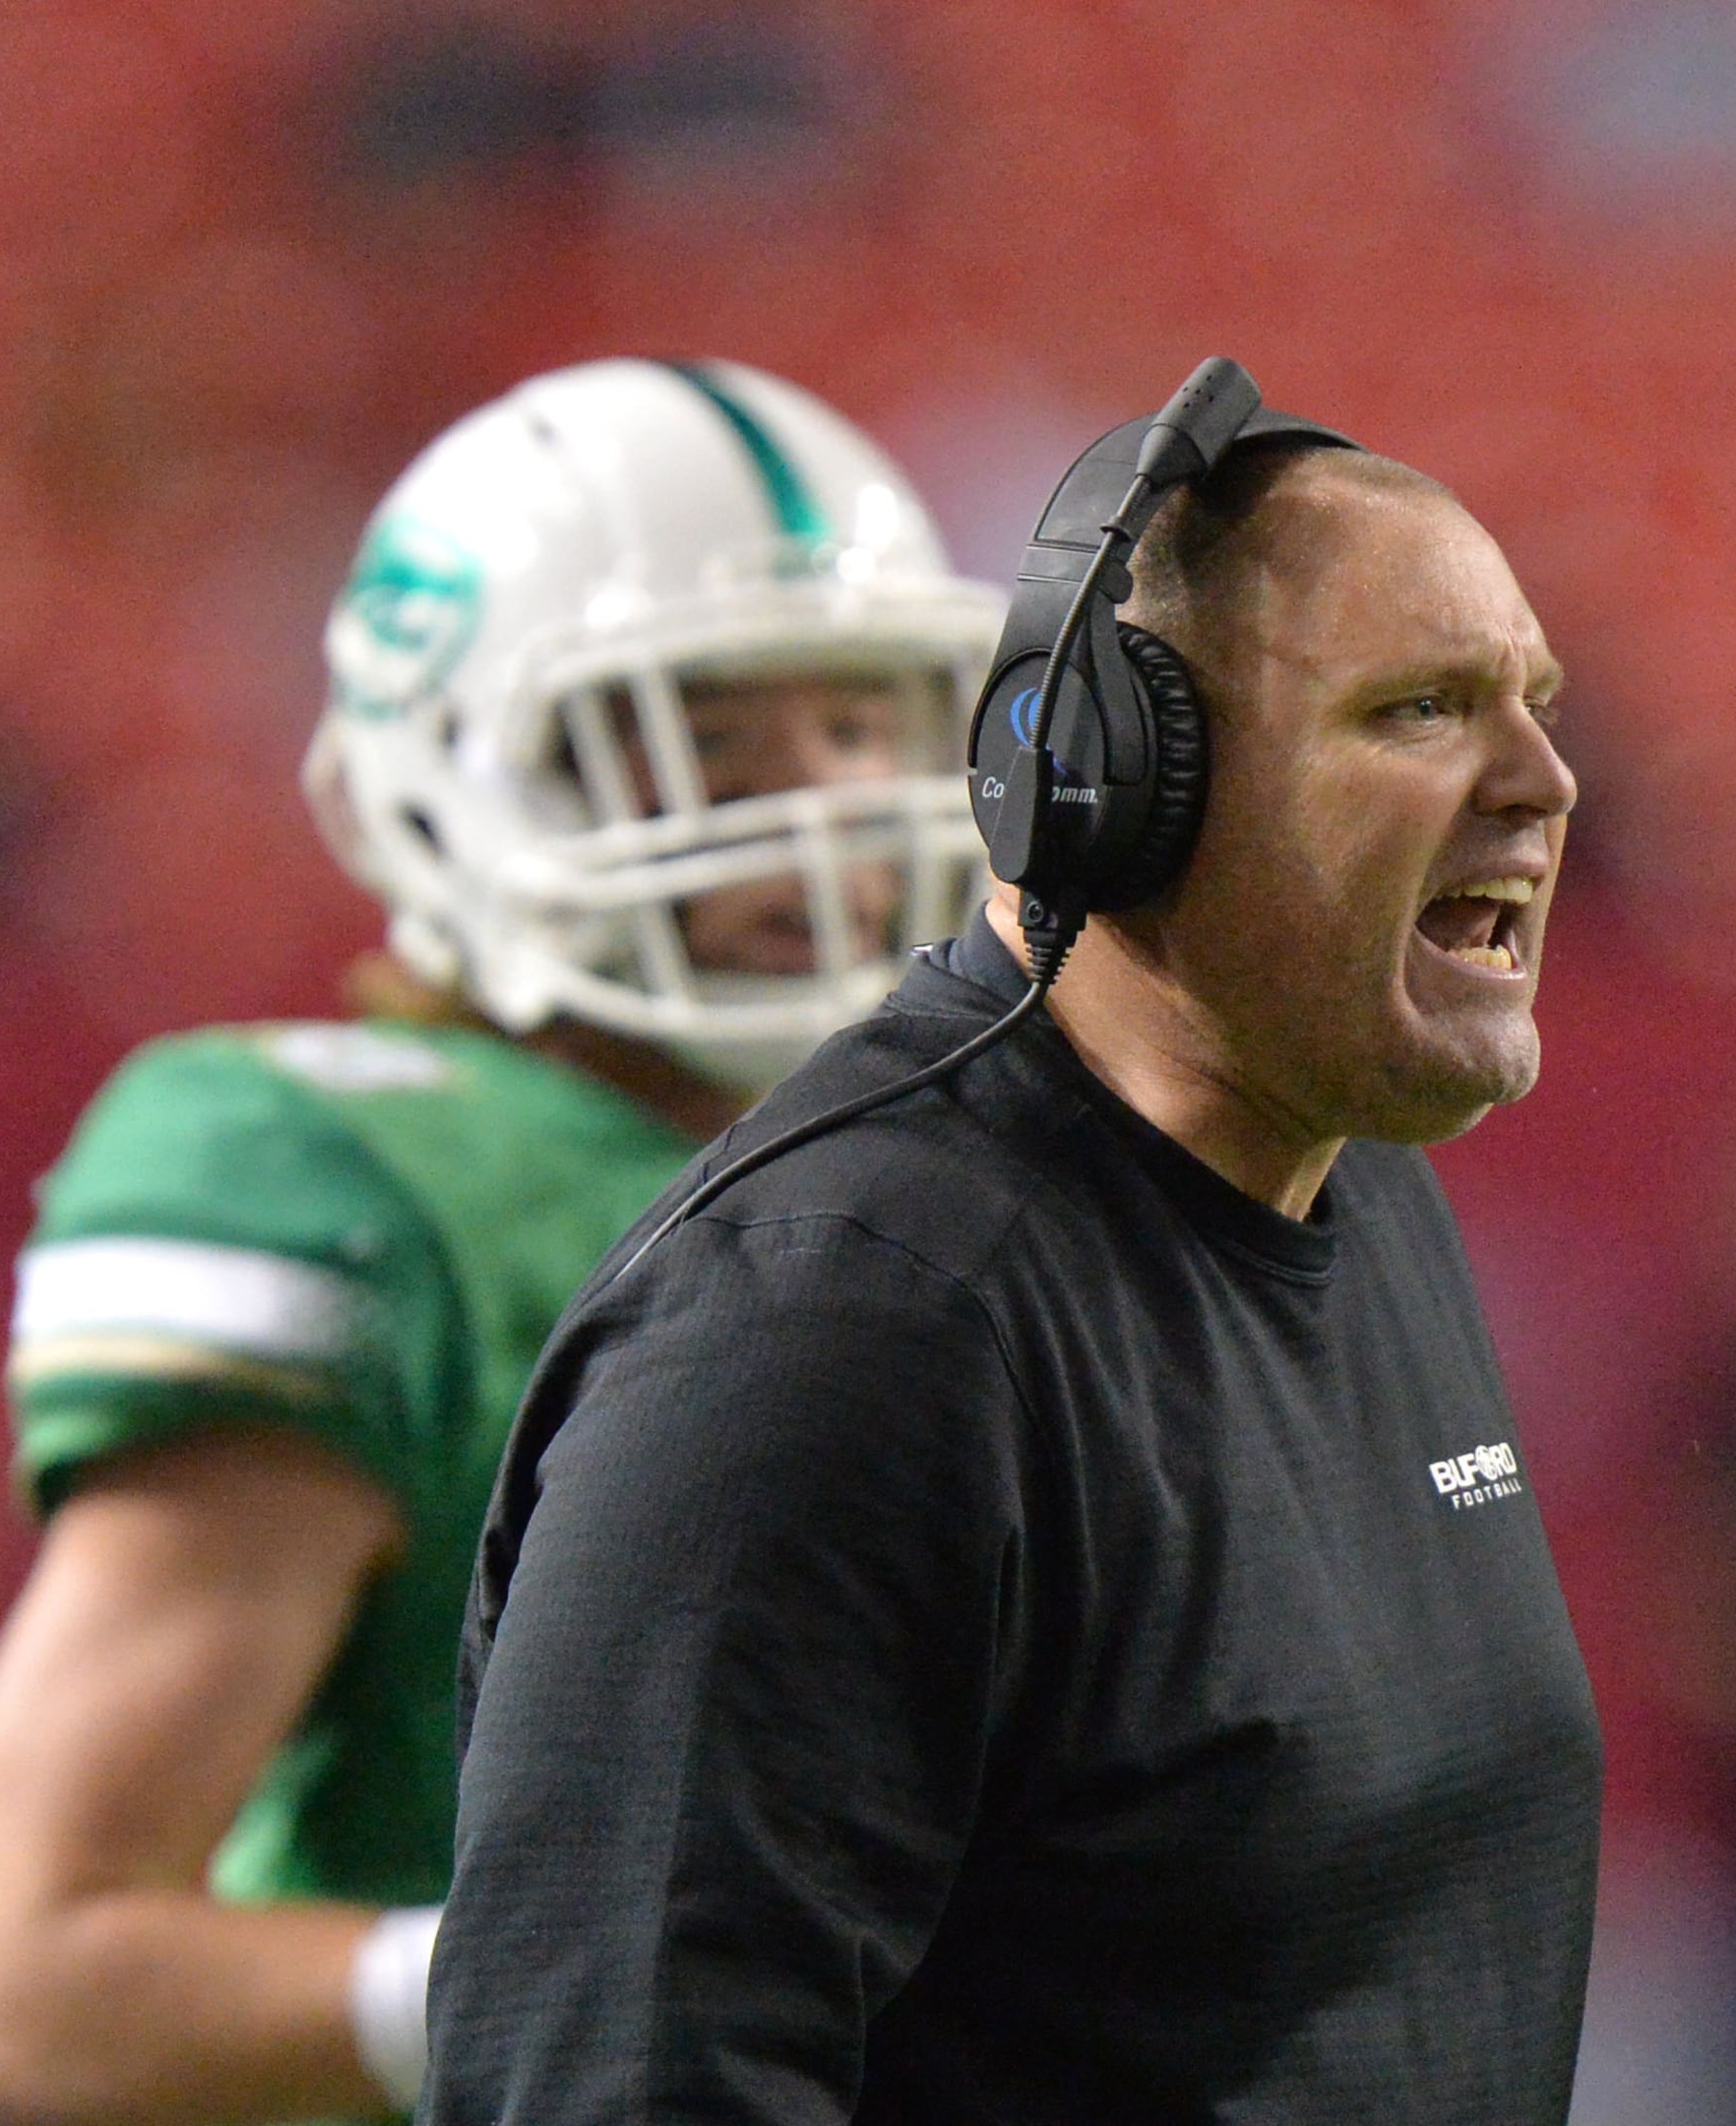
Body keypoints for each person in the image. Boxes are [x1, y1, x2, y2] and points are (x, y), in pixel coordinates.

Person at [428, 382, 1600, 2125]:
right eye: (1420, 711)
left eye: (1536, 706)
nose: (1542, 783)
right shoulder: (835, 1333)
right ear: (1117, 793)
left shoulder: (1357, 1194)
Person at [0, 357, 1007, 2126]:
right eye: (705, 742)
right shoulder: (358, 1176)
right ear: (446, 783)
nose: (819, 815)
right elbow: (27, 1998)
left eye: (857, 723)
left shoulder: (972, 1154)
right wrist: (580, 1972)